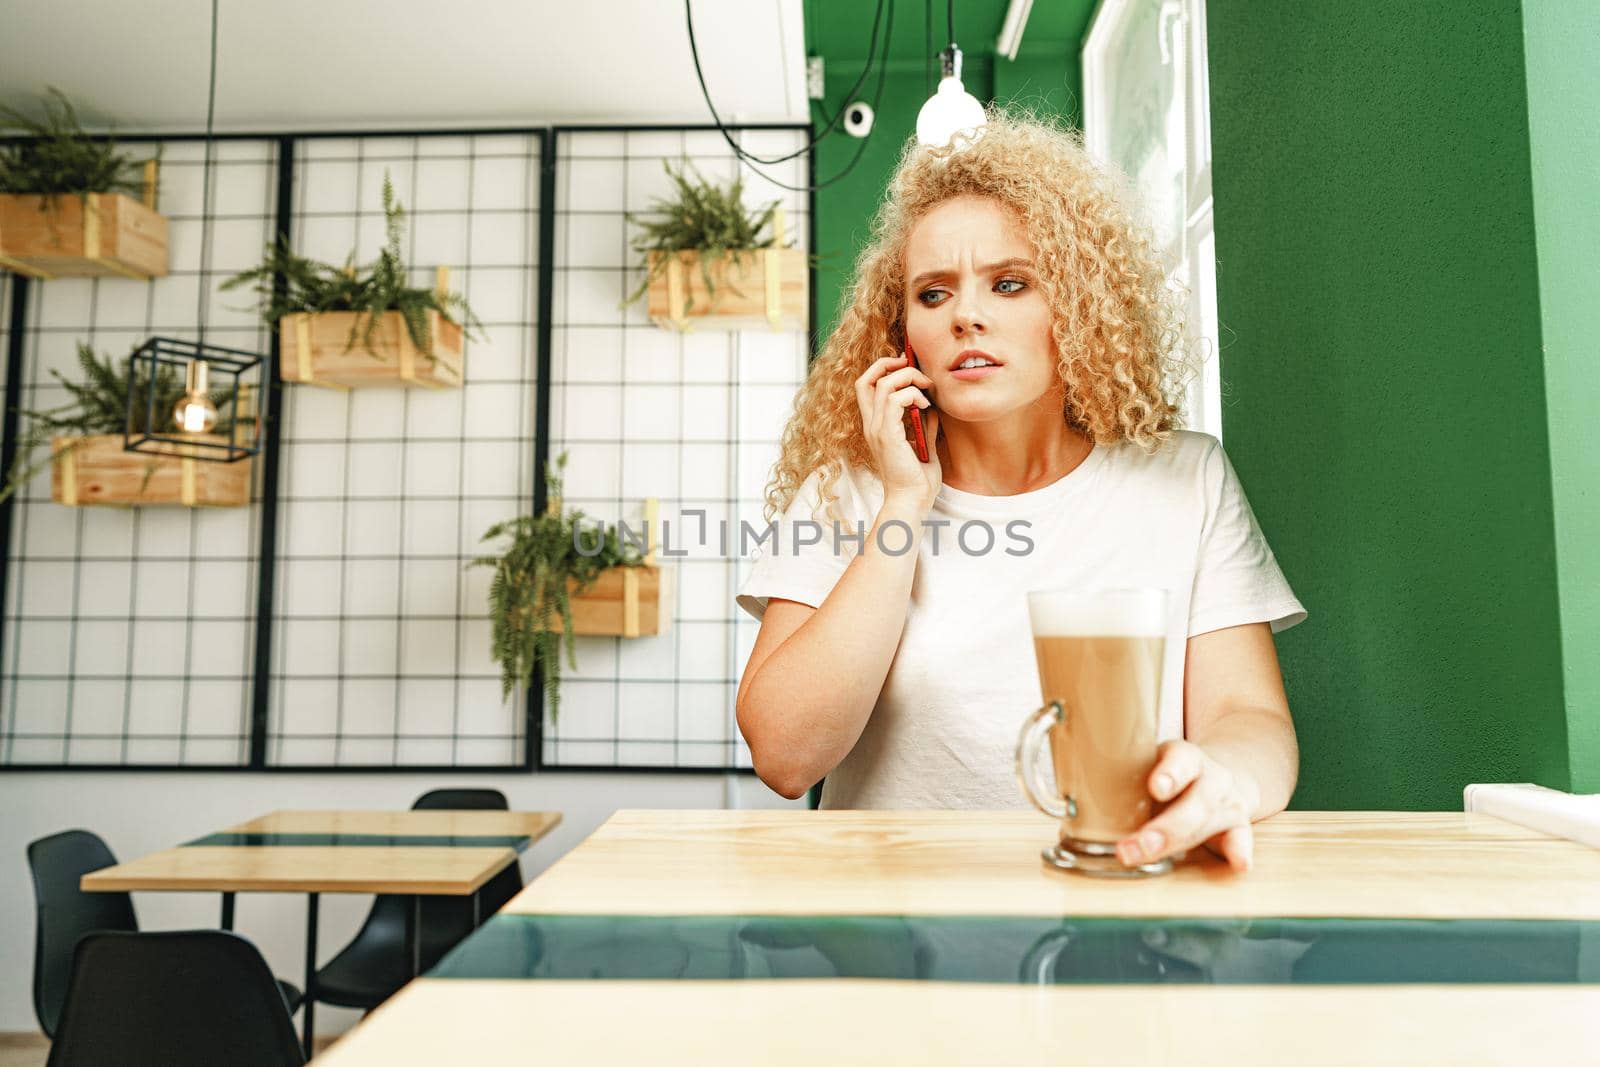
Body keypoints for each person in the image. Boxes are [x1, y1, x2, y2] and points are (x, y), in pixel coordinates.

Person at [733, 107, 1306, 874]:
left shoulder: (1188, 480)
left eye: (1009, 283)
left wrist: (1225, 780)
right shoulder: (847, 494)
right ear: (903, 335)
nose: (967, 314)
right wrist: (904, 505)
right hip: (892, 941)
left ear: (1073, 309)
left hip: (1121, 910)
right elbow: (785, 753)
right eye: (933, 294)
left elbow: (1249, 717)